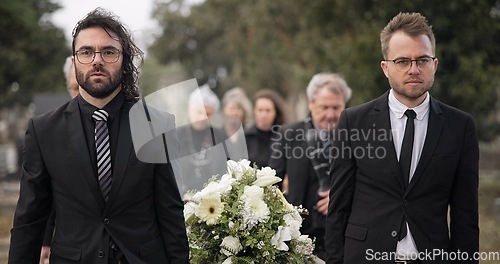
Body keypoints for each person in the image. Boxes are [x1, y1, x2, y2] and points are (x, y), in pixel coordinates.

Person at [9, 8, 189, 263]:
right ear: (74, 62)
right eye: (86, 52)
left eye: (108, 51)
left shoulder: (157, 125)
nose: (97, 60)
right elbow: (29, 220)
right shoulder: (43, 130)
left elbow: (170, 212)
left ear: (124, 60)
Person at [326, 12, 479, 263]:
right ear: (386, 68)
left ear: (435, 65)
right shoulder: (354, 122)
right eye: (402, 61)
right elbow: (338, 207)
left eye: (422, 60)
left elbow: (466, 216)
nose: (414, 69)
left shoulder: (460, 126)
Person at [269, 73, 352, 260]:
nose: (330, 114)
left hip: (343, 236)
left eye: (336, 107)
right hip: (298, 235)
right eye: (324, 107)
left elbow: (369, 181)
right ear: (311, 104)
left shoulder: (355, 136)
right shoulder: (288, 134)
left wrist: (341, 196)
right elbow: (272, 183)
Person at [39, 56, 81, 264]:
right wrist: (45, 242)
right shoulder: (51, 130)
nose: (81, 95)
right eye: (75, 88)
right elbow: (43, 192)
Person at [176, 84, 228, 197]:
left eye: (207, 114)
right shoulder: (177, 135)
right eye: (199, 112)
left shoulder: (219, 136)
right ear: (190, 110)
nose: (202, 117)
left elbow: (224, 167)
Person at [245, 89, 288, 168]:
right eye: (260, 110)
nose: (264, 115)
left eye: (268, 111)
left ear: (275, 112)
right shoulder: (245, 137)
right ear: (254, 111)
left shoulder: (285, 137)